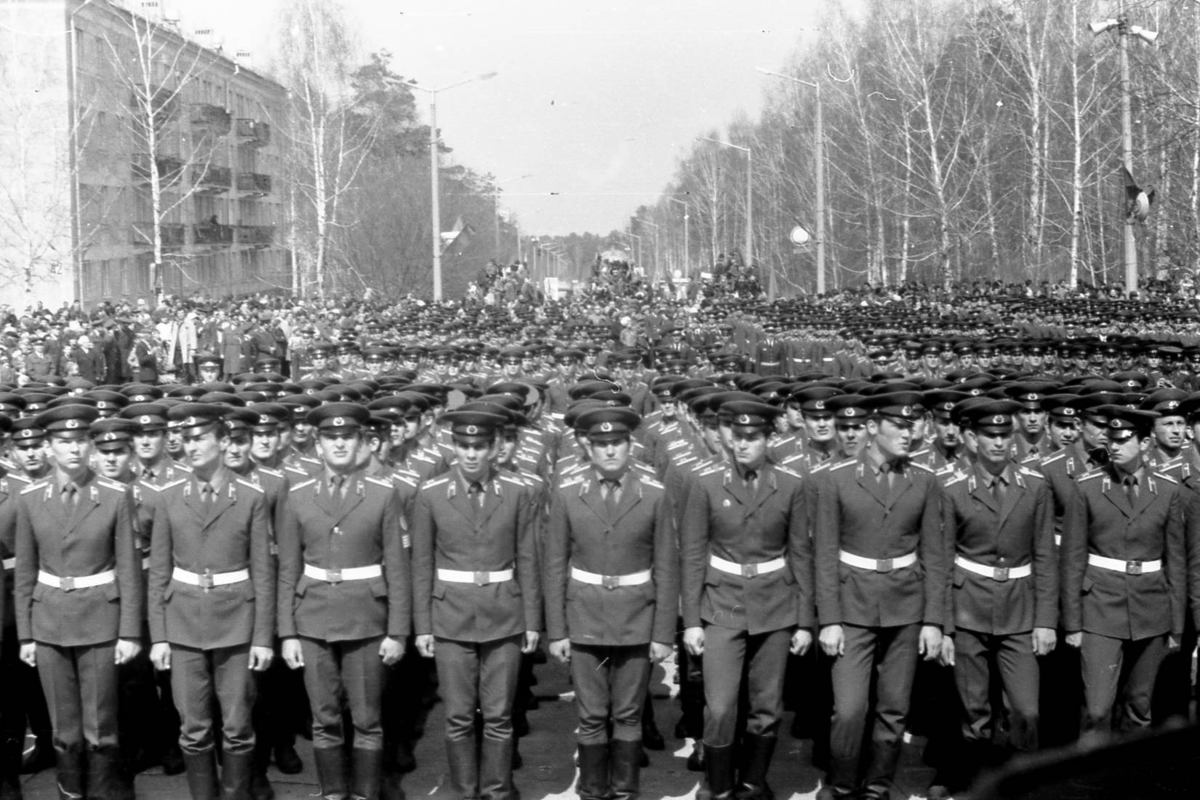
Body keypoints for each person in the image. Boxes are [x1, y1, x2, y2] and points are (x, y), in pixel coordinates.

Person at [812, 391, 946, 800]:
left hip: (906, 606)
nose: (909, 434)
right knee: (849, 710)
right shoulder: (835, 480)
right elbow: (825, 554)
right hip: (852, 606)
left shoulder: (924, 481)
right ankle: (842, 783)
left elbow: (935, 556)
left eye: (913, 426)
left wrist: (934, 621)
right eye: (900, 427)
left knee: (894, 708)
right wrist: (830, 619)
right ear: (873, 428)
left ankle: (877, 786)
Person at [277, 403, 410, 800]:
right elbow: (288, 568)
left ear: (361, 443)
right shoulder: (298, 496)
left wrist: (398, 630)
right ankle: (333, 793)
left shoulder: (384, 495)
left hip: (367, 618)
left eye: (347, 438)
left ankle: (366, 793)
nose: (339, 445)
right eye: (331, 439)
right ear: (318, 445)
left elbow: (398, 568)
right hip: (313, 618)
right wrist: (287, 632)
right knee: (324, 716)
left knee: (368, 717)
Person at [544, 406, 678, 800]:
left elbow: (667, 570)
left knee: (628, 714)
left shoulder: (654, 495)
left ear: (630, 444)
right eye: (600, 444)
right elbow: (554, 567)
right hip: (584, 618)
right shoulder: (568, 494)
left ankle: (624, 792)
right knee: (590, 715)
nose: (609, 451)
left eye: (617, 442)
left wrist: (663, 633)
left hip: (636, 618)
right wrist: (557, 631)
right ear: (587, 447)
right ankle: (591, 790)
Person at [680, 399, 812, 800]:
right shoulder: (704, 484)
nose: (742, 444)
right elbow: (692, 554)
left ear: (770, 438)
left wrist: (805, 621)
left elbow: (801, 556)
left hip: (775, 606)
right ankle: (719, 786)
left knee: (767, 705)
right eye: (737, 436)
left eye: (752, 437)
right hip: (722, 604)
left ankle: (753, 783)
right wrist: (690, 621)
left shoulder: (791, 485)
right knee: (719, 706)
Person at [13, 404, 143, 800]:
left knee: (101, 723)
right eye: (63, 442)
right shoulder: (31, 498)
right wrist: (26, 636)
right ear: (49, 448)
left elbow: (129, 570)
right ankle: (70, 792)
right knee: (64, 726)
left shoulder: (115, 496)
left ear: (90, 446)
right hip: (49, 621)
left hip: (100, 620)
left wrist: (130, 632)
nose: (73, 450)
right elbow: (25, 573)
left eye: (79, 441)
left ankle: (105, 792)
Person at [147, 404, 276, 800]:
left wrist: (262, 638)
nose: (192, 446)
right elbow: (159, 573)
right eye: (186, 439)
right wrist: (158, 637)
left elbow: (263, 573)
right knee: (193, 727)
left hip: (237, 623)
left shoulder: (252, 497)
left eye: (200, 437)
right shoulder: (168, 498)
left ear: (223, 441)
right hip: (183, 622)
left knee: (237, 726)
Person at [411, 410, 541, 800]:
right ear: (453, 447)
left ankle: (498, 790)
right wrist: (422, 626)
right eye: (463, 446)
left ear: (495, 448)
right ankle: (464, 791)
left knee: (499, 715)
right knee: (458, 716)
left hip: (504, 613)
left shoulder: (518, 492)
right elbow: (422, 564)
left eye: (479, 446)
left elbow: (529, 559)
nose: (471, 455)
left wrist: (533, 621)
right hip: (450, 614)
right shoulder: (430, 494)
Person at [935, 400, 1057, 796]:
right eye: (991, 435)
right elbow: (941, 561)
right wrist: (944, 626)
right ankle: (976, 782)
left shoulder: (1035, 487)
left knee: (1026, 710)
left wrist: (1045, 621)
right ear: (972, 439)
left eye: (1006, 435)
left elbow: (1044, 556)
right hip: (968, 606)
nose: (1000, 442)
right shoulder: (953, 490)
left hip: (1021, 609)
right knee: (975, 710)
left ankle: (1022, 782)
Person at [1061, 406, 1192, 738]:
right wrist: (1073, 622)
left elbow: (1175, 560)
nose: (1114, 446)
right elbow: (1073, 558)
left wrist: (1176, 625)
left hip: (1152, 608)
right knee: (1097, 708)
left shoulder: (1167, 490)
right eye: (1111, 440)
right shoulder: (1087, 487)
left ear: (1145, 443)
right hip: (1100, 606)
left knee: (1139, 704)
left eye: (1124, 440)